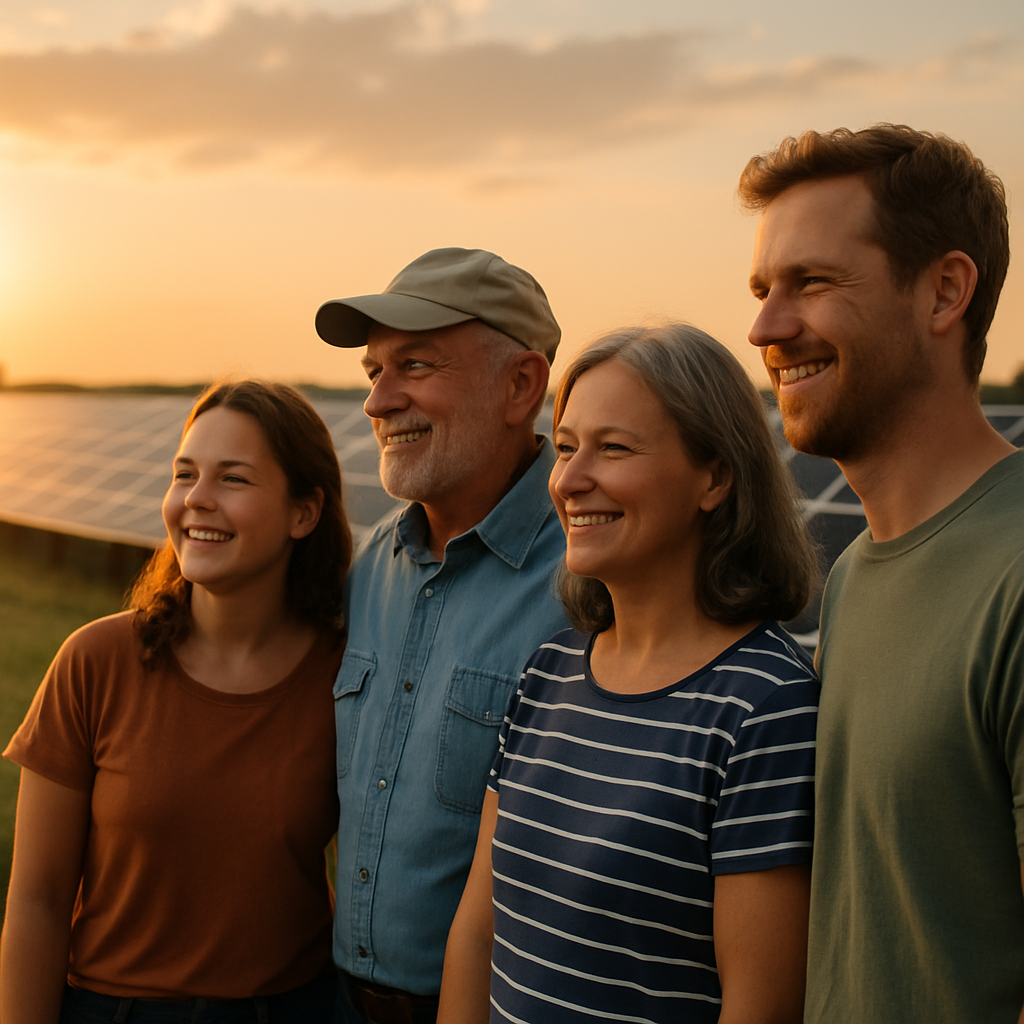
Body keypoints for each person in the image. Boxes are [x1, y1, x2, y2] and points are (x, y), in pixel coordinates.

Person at [437, 322, 821, 1024]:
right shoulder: (549, 671)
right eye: (568, 446)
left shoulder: (767, 707)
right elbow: (477, 931)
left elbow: (758, 1007)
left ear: (715, 477)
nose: (571, 480)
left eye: (613, 449)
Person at [739, 124, 1023, 1022]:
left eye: (812, 283)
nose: (765, 328)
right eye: (761, 290)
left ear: (944, 291)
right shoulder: (856, 572)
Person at [1, 380, 352, 1024]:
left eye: (233, 479)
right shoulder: (96, 662)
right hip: (112, 1011)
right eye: (184, 474)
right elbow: (37, 900)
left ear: (304, 513)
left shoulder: (349, 677)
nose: (196, 500)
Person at [315, 247, 571, 1023]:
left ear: (521, 385)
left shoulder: (593, 582)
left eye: (415, 366)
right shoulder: (371, 569)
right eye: (373, 372)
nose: (378, 402)